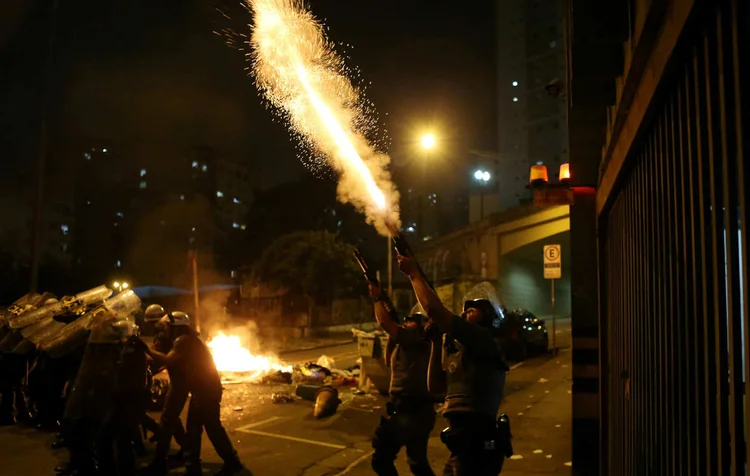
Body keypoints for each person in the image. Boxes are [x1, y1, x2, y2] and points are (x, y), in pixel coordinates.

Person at [397, 254, 512, 476]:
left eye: (472, 310)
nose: (465, 312)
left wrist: (414, 274)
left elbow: (435, 310)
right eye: (465, 309)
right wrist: (435, 342)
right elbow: (436, 388)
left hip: (477, 446)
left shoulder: (484, 340)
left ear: (487, 315)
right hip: (461, 448)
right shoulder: (464, 352)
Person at [140, 312, 245, 476]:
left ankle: (231, 462)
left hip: (206, 391)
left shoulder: (184, 341)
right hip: (203, 390)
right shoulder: (189, 339)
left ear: (176, 327)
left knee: (211, 428)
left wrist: (145, 349)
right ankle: (194, 467)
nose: (165, 330)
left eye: (168, 326)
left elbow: (168, 360)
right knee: (194, 430)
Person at [368, 280, 440, 476]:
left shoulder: (414, 338)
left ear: (421, 324)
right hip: (420, 411)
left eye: (411, 319)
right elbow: (392, 318)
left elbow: (386, 322)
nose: (405, 322)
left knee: (381, 460)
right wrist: (383, 297)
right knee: (417, 463)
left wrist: (375, 298)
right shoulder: (419, 340)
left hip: (408, 410)